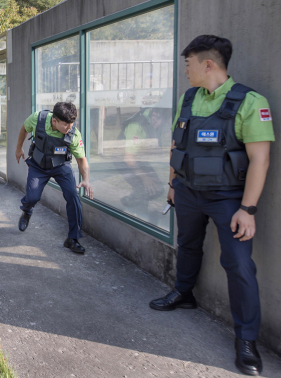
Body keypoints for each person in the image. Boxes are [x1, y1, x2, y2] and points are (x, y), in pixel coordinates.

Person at [149, 35, 274, 376]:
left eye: (188, 64)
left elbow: (260, 160)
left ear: (208, 64)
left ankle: (246, 340)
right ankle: (183, 293)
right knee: (187, 244)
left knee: (238, 265)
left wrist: (247, 210)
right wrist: (173, 183)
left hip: (228, 198)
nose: (185, 71)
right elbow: (178, 143)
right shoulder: (188, 98)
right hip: (188, 191)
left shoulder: (249, 102)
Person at [15, 102, 94, 254]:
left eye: (71, 124)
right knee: (32, 197)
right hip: (38, 165)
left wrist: (86, 179)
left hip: (61, 167)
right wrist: (18, 148)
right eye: (66, 125)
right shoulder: (37, 119)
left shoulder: (74, 134)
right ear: (54, 121)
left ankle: (72, 239)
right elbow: (24, 128)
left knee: (73, 197)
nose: (69, 128)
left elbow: (81, 159)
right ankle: (27, 211)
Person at [115, 107, 170, 223]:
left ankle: (131, 201)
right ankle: (140, 219)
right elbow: (128, 158)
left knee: (158, 189)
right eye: (158, 118)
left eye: (163, 120)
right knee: (144, 189)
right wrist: (144, 177)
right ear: (153, 113)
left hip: (138, 157)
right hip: (123, 160)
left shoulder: (152, 119)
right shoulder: (137, 126)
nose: (159, 123)